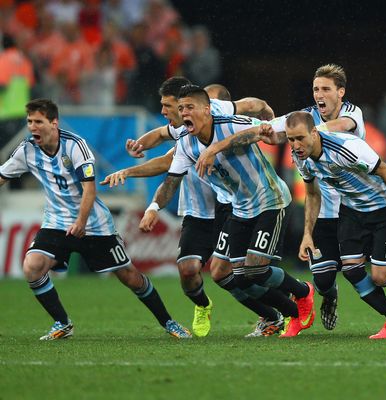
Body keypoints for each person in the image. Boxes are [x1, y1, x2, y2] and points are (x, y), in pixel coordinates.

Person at [102, 78, 281, 337]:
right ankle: (204, 305)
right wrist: (139, 148)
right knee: (188, 272)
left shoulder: (218, 116)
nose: (165, 111)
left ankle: (276, 310)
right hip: (197, 210)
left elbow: (251, 106)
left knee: (232, 272)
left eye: (167, 106)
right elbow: (164, 144)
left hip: (228, 206)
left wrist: (267, 114)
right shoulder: (183, 130)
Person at [0, 98, 191, 341]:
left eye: (38, 121)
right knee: (32, 266)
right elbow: (2, 175)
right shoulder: (26, 150)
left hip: (94, 223)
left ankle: (169, 322)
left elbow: (89, 189)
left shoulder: (75, 146)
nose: (32, 127)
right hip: (57, 221)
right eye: (29, 122)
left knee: (129, 277)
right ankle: (62, 323)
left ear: (54, 123)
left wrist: (81, 222)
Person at [139, 85, 316, 337]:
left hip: (270, 201)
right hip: (240, 208)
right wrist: (153, 207)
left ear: (206, 110)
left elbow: (273, 126)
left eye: (190, 107)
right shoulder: (186, 145)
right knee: (225, 273)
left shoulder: (230, 124)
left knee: (255, 269)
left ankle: (302, 292)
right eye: (181, 109)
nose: (184, 112)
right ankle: (287, 312)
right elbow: (170, 182)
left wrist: (217, 147)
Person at [265, 64, 366, 332]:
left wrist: (309, 134)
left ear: (340, 92)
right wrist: (254, 131)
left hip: (355, 211)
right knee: (321, 281)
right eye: (315, 89)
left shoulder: (351, 112)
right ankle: (329, 295)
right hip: (321, 210)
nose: (319, 94)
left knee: (374, 273)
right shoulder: (305, 118)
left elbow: (341, 126)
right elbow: (271, 127)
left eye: (326, 89)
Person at [286, 110, 386, 339]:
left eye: (300, 138)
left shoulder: (346, 148)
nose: (296, 145)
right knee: (351, 269)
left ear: (314, 132)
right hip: (350, 212)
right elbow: (312, 194)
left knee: (380, 277)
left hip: (383, 209)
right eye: (291, 139)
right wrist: (307, 234)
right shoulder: (300, 157)